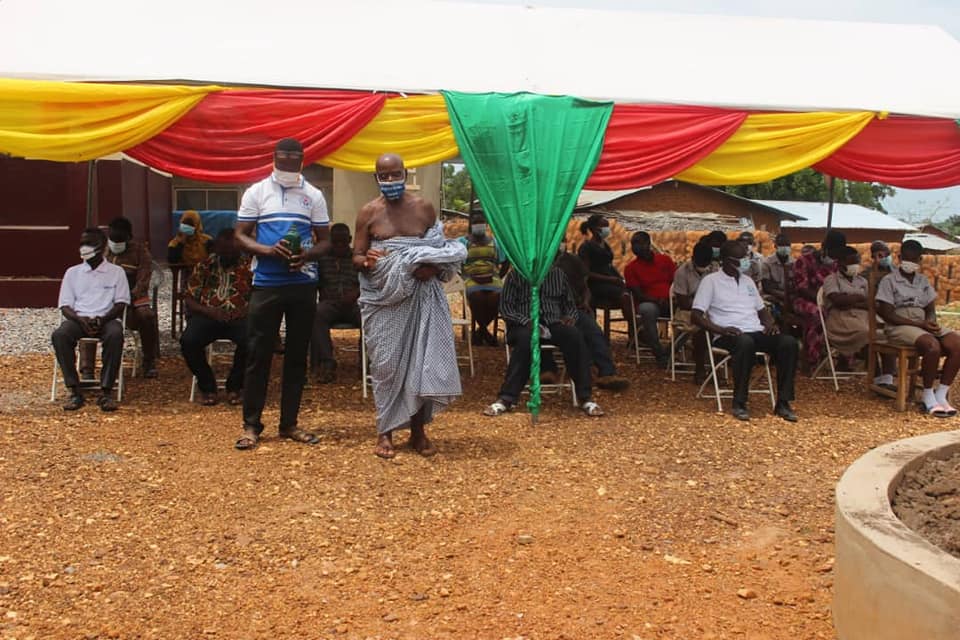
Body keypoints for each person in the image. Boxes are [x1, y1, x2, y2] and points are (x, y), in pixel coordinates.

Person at [354, 153, 467, 459]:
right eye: (384, 176)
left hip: (422, 296)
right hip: (385, 299)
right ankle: (385, 431)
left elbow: (440, 249)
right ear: (376, 178)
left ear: (405, 174)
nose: (391, 180)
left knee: (422, 362)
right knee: (386, 366)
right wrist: (367, 260)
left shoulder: (424, 207)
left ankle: (418, 431)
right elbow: (357, 255)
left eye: (396, 174)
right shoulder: (368, 212)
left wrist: (431, 266)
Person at [233, 138, 331, 450]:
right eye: (283, 156)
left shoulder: (313, 195)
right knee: (258, 354)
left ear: (303, 160)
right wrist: (267, 250)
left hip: (302, 283)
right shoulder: (257, 191)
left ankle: (289, 423)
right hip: (267, 282)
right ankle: (251, 425)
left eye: (294, 157)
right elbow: (240, 235)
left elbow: (326, 241)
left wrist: (307, 255)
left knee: (297, 356)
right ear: (274, 157)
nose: (288, 162)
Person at [692, 241, 799, 422]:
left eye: (746, 257)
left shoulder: (748, 281)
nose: (746, 261)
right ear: (727, 261)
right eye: (741, 258)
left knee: (788, 343)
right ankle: (739, 402)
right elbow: (696, 316)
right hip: (728, 333)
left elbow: (761, 310)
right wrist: (720, 329)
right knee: (745, 343)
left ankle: (783, 402)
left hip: (755, 330)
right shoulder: (711, 281)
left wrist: (770, 324)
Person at [483, 265, 604, 417]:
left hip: (553, 322)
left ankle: (585, 397)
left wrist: (570, 317)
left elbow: (569, 305)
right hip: (523, 324)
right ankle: (507, 398)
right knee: (526, 341)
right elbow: (506, 308)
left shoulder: (558, 274)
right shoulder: (516, 274)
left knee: (574, 336)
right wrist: (526, 321)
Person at [876, 239, 960, 417]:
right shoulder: (889, 281)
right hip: (899, 325)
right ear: (899, 258)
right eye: (906, 259)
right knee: (932, 346)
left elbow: (930, 309)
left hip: (922, 324)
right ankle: (927, 396)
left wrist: (931, 322)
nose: (910, 263)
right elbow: (887, 314)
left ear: (920, 260)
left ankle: (941, 393)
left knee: (956, 343)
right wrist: (920, 325)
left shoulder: (923, 281)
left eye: (914, 260)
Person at [52, 227, 130, 412]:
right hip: (79, 319)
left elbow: (121, 303)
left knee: (115, 335)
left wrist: (102, 319)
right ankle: (74, 390)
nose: (84, 247)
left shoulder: (116, 272)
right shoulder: (72, 273)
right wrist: (81, 320)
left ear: (102, 246)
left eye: (89, 243)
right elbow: (65, 306)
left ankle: (106, 392)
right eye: (82, 244)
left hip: (107, 319)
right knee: (60, 335)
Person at [180, 229, 252, 406]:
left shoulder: (250, 266)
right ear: (216, 248)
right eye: (223, 251)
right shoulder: (205, 265)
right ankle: (207, 387)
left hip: (239, 317)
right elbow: (189, 298)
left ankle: (235, 386)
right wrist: (209, 311)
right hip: (208, 316)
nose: (227, 255)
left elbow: (260, 295)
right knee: (188, 341)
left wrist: (245, 310)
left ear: (239, 249)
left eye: (231, 251)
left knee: (253, 341)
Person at [81, 217, 159, 378]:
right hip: (103, 299)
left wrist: (126, 298)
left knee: (147, 316)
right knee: (88, 316)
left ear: (129, 237)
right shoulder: (100, 251)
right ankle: (87, 368)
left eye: (120, 240)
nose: (115, 244)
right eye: (112, 240)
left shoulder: (140, 252)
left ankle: (149, 361)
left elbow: (143, 281)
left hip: (132, 301)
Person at [551, 246, 629, 390]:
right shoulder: (536, 262)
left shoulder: (572, 261)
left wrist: (586, 302)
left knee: (594, 331)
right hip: (548, 310)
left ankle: (607, 373)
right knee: (568, 333)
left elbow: (585, 288)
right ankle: (553, 369)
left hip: (573, 308)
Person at [310, 223, 361, 382]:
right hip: (330, 304)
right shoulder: (322, 259)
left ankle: (366, 364)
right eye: (335, 242)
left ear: (349, 240)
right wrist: (323, 291)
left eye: (343, 243)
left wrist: (356, 293)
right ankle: (327, 363)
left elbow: (367, 282)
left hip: (353, 304)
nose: (339, 246)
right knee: (317, 314)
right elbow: (315, 281)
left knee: (369, 316)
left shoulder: (357, 258)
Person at [792, 230, 846, 373]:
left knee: (847, 313)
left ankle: (845, 360)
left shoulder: (837, 265)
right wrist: (822, 300)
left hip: (831, 301)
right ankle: (812, 360)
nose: (835, 258)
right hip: (804, 300)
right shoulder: (804, 261)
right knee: (818, 313)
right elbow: (802, 288)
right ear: (824, 248)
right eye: (833, 253)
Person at [577, 214, 635, 338]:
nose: (607, 229)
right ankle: (635, 332)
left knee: (631, 292)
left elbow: (608, 265)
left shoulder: (605, 245)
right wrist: (610, 279)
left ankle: (635, 331)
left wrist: (619, 278)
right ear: (594, 228)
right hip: (596, 285)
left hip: (610, 282)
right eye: (603, 226)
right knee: (624, 297)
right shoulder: (586, 247)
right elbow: (586, 273)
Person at [624, 231, 675, 368]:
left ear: (648, 243)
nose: (635, 247)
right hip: (650, 303)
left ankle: (670, 352)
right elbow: (638, 294)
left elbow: (676, 282)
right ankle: (659, 353)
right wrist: (657, 300)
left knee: (690, 313)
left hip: (671, 301)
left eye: (638, 243)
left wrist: (672, 298)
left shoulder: (665, 260)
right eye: (633, 244)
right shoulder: (630, 268)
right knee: (647, 310)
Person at [459, 209, 507, 346]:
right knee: (477, 296)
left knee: (497, 297)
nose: (478, 225)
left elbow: (506, 260)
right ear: (471, 224)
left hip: (492, 278)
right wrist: (462, 277)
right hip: (470, 278)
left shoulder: (495, 242)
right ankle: (485, 332)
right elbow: (456, 262)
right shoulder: (463, 242)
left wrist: (499, 276)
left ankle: (480, 332)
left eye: (481, 222)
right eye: (476, 222)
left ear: (486, 224)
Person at [672, 241, 716, 383]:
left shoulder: (716, 270)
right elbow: (683, 303)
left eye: (706, 263)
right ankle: (700, 368)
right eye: (701, 263)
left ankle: (716, 369)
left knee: (723, 326)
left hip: (712, 310)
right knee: (701, 327)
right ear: (693, 259)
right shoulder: (682, 272)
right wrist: (703, 303)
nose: (704, 266)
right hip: (688, 312)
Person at [821, 246, 870, 368]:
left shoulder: (863, 281)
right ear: (841, 263)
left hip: (863, 316)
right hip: (840, 319)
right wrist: (858, 297)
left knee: (880, 332)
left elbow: (869, 303)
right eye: (851, 263)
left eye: (856, 262)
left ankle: (882, 371)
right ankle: (874, 370)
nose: (855, 266)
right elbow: (838, 301)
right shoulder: (831, 279)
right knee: (865, 332)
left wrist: (850, 299)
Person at [863, 240, 897, 390]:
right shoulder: (866, 275)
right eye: (880, 255)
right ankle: (877, 376)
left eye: (886, 254)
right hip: (873, 311)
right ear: (873, 257)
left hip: (894, 310)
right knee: (873, 335)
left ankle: (888, 377)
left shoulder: (897, 272)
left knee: (891, 333)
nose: (884, 258)